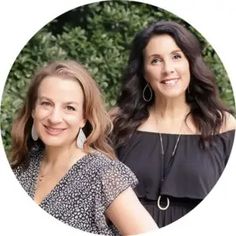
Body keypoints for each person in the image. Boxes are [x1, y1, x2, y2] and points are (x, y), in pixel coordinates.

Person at [10, 60, 158, 235]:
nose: (54, 117)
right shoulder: (21, 167)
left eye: (69, 108)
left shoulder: (103, 175)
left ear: (84, 118)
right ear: (33, 109)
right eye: (46, 104)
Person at [111, 21, 236, 227]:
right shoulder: (118, 123)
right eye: (155, 60)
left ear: (190, 63)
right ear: (143, 71)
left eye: (176, 56)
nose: (168, 69)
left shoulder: (223, 126)